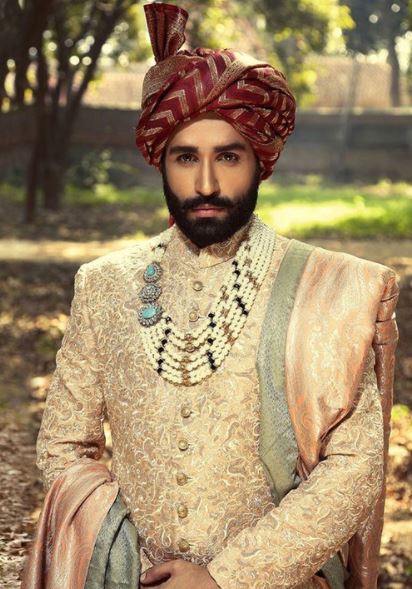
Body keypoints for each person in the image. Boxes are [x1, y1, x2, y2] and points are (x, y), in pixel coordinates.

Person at [33, 3, 399, 589]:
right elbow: (63, 446)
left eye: (228, 156)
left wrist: (225, 578)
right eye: (186, 158)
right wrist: (124, 561)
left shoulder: (331, 288)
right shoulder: (105, 285)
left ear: (260, 162)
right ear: (161, 161)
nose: (206, 184)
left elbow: (354, 468)